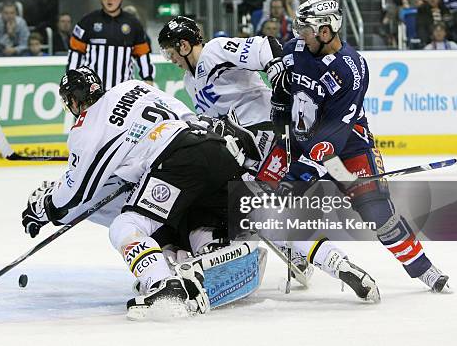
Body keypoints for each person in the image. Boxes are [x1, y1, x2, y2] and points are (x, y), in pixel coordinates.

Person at [157, 16, 381, 302]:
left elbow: (267, 46)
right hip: (243, 150)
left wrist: (276, 68)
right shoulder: (190, 82)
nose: (170, 58)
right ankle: (327, 259)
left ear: (185, 45)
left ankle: (316, 253)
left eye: (170, 51)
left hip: (267, 135)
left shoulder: (215, 50)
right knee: (260, 210)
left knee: (259, 208)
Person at [20, 66, 243, 318]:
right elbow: (186, 114)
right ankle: (211, 248)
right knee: (190, 218)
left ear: (74, 99)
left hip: (177, 163)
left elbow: (75, 193)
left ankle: (164, 285)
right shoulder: (131, 86)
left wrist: (45, 205)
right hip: (215, 149)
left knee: (125, 226)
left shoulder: (85, 128)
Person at [269, 0, 450, 292]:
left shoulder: (350, 69)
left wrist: (300, 173)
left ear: (325, 32)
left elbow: (333, 138)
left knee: (376, 210)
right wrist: (279, 94)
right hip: (305, 145)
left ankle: (423, 268)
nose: (299, 35)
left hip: (344, 153)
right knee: (270, 199)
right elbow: (285, 97)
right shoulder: (294, 50)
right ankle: (301, 254)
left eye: (306, 30)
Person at [67, 0, 154, 90]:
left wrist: (148, 79)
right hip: (93, 91)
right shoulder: (87, 21)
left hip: (123, 92)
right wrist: (72, 80)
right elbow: (75, 53)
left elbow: (142, 54)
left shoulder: (133, 24)